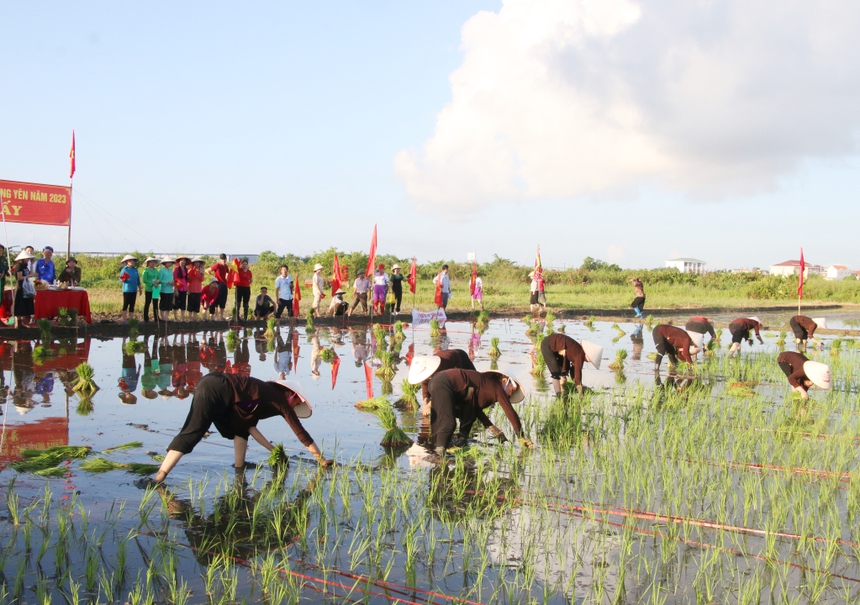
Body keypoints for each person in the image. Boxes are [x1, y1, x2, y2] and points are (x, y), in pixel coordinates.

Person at [150, 374, 332, 483]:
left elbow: (249, 427)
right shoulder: (279, 400)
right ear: (291, 395)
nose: (294, 407)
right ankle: (160, 476)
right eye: (297, 403)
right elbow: (301, 433)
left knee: (240, 429)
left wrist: (274, 451)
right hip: (217, 388)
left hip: (216, 386)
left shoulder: (262, 395)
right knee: (194, 431)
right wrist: (321, 459)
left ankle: (239, 467)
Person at [427, 369, 532, 457]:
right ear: (504, 381)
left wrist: (492, 428)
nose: (510, 394)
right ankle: (438, 456)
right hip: (444, 382)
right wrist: (521, 437)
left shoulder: (485, 386)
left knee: (467, 416)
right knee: (448, 423)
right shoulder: (496, 387)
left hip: (437, 382)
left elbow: (474, 410)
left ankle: (448, 446)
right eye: (512, 390)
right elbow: (510, 412)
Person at [408, 349, 476, 417]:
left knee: (474, 382)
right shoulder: (426, 371)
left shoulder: (442, 368)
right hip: (444, 355)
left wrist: (431, 403)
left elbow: (443, 389)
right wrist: (426, 401)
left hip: (459, 356)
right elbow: (424, 384)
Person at [12, 250, 35, 327]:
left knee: (26, 303)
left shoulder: (25, 266)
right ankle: (18, 322)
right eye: (27, 259)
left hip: (25, 287)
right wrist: (27, 276)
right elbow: (19, 277)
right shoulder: (19, 266)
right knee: (20, 304)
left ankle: (23, 322)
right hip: (20, 286)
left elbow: (30, 273)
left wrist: (31, 264)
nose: (28, 260)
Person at [205, 254, 230, 320]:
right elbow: (207, 270)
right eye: (222, 259)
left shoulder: (226, 266)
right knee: (216, 300)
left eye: (224, 259)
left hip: (224, 284)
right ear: (220, 259)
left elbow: (227, 272)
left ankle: (221, 316)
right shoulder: (217, 265)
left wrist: (226, 278)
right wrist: (213, 277)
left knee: (223, 300)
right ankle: (216, 316)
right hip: (218, 284)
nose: (224, 260)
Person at [119, 254, 141, 322]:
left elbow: (138, 280)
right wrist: (123, 279)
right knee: (125, 305)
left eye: (132, 261)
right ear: (127, 262)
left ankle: (131, 320)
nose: (132, 262)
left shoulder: (135, 270)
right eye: (130, 261)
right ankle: (124, 320)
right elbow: (121, 279)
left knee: (132, 305)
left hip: (134, 290)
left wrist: (140, 288)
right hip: (127, 290)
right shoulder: (124, 270)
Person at [186, 258, 205, 322]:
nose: (197, 264)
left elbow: (201, 279)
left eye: (198, 263)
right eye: (195, 263)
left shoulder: (201, 271)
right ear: (193, 264)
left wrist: (202, 273)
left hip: (198, 289)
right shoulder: (190, 270)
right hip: (191, 289)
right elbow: (188, 280)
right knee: (191, 304)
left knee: (197, 304)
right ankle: (190, 317)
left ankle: (195, 317)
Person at [141, 257, 160, 323]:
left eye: (153, 262)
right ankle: (146, 318)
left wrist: (158, 281)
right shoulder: (146, 271)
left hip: (156, 289)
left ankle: (156, 317)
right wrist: (152, 283)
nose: (152, 263)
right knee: (147, 303)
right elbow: (144, 280)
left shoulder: (155, 270)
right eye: (151, 262)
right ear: (148, 263)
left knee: (155, 303)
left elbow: (158, 278)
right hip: (149, 289)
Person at [158, 257, 176, 323]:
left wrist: (173, 282)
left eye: (170, 262)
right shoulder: (161, 270)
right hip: (164, 289)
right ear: (165, 263)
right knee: (163, 304)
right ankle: (163, 317)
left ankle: (167, 317)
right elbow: (159, 280)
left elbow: (172, 278)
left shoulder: (171, 270)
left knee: (169, 304)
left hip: (170, 289)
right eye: (168, 262)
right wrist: (166, 282)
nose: (169, 264)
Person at [173, 256, 190, 322]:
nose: (183, 262)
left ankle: (182, 318)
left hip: (184, 288)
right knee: (176, 303)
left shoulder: (186, 269)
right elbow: (175, 279)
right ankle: (175, 318)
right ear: (179, 262)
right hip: (178, 287)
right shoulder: (176, 269)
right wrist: (176, 289)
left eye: (184, 261)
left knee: (183, 303)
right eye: (181, 261)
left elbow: (187, 280)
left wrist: (188, 289)